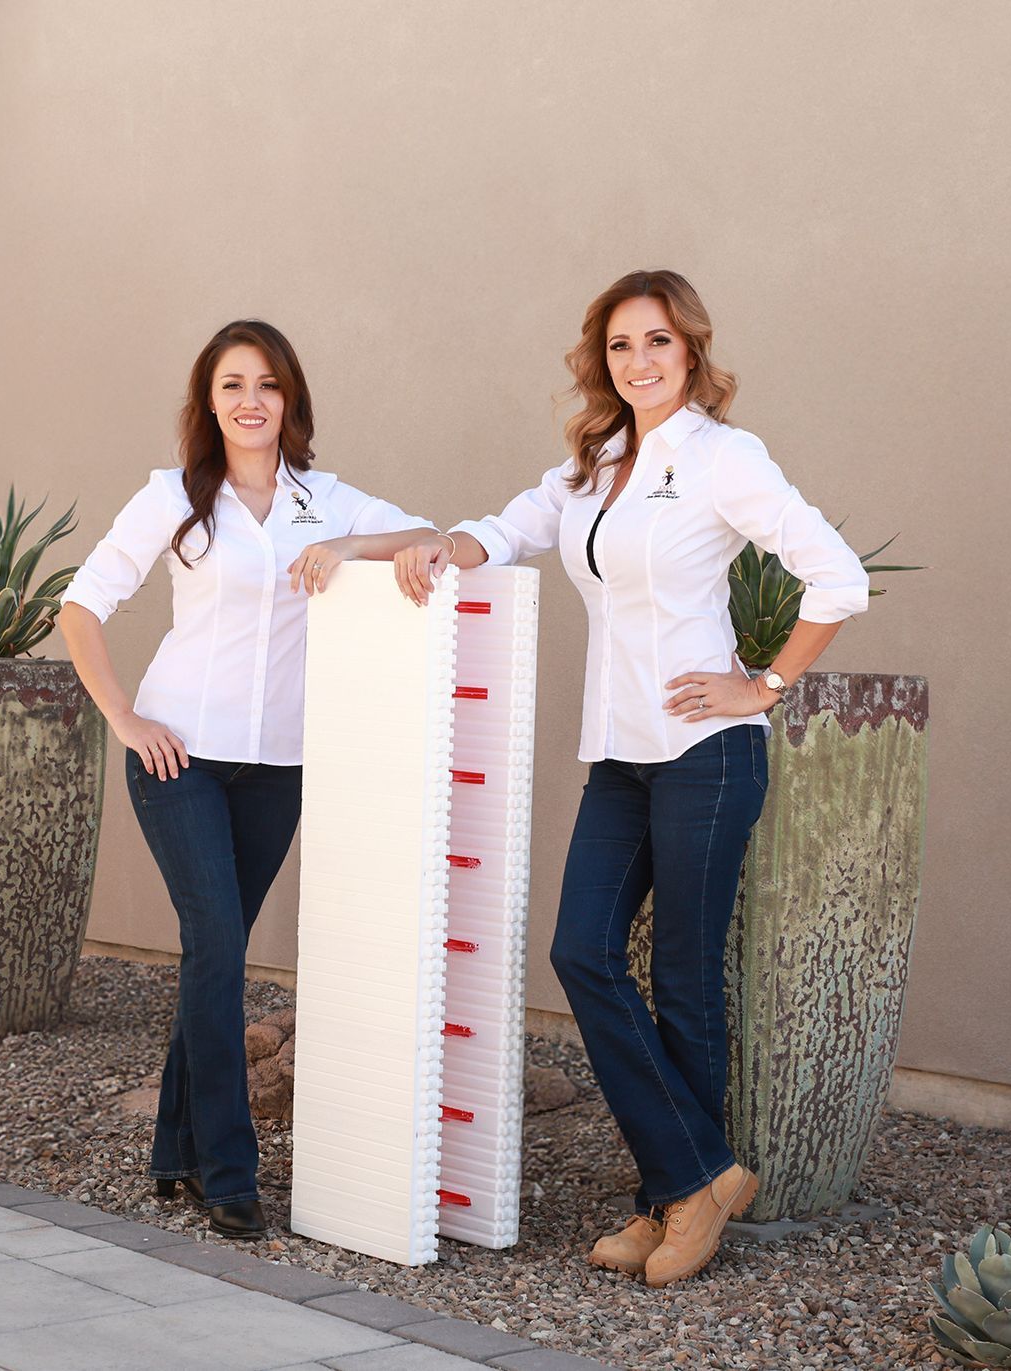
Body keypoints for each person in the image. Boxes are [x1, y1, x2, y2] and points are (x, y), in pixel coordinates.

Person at [394, 270, 870, 1286]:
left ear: (690, 351)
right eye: (620, 346)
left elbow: (839, 576)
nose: (639, 361)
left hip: (706, 751)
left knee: (689, 985)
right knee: (583, 953)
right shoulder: (597, 460)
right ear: (601, 359)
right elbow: (515, 523)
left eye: (657, 342)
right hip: (618, 753)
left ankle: (675, 1207)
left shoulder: (721, 458)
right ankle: (698, 1179)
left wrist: (766, 685)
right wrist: (449, 545)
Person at [59, 319, 445, 1238]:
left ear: (290, 400)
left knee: (213, 953)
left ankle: (173, 1149)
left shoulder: (327, 500)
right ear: (209, 401)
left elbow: (429, 537)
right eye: (233, 384)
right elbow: (81, 607)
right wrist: (127, 716)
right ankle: (230, 1172)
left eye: (268, 384)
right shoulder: (172, 498)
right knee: (222, 943)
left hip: (279, 766)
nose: (251, 401)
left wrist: (350, 549)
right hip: (178, 754)